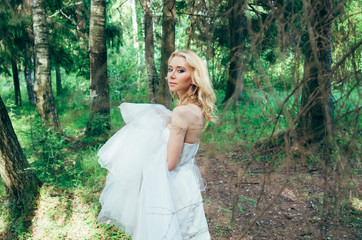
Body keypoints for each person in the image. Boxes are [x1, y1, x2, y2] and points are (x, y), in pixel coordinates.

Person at [97, 50, 217, 240]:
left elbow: (169, 162)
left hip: (171, 188)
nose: (171, 75)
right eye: (170, 69)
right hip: (186, 185)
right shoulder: (195, 108)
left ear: (194, 77)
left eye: (180, 70)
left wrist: (140, 154)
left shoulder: (181, 113)